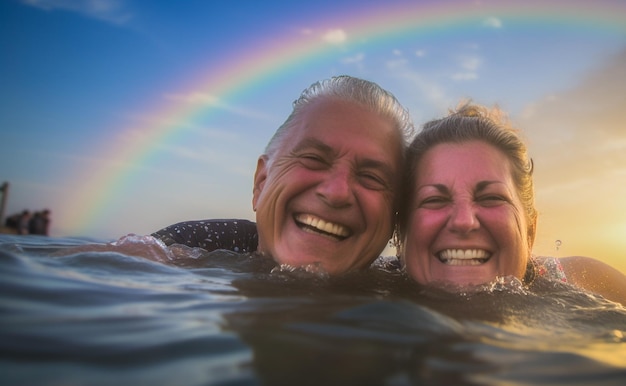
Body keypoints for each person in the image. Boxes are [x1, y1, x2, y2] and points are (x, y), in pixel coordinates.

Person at [152, 75, 415, 275]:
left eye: (371, 177)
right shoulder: (185, 250)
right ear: (260, 183)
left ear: (395, 219)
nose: (337, 192)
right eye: (313, 159)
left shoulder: (411, 283)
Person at [395, 102, 626, 305]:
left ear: (530, 231)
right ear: (400, 232)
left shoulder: (591, 286)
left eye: (491, 198)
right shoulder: (366, 285)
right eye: (434, 200)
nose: (464, 221)